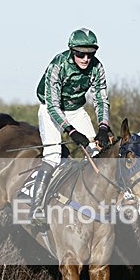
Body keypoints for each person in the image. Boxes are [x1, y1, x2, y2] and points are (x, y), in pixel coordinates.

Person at [30, 27, 112, 221]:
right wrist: (71, 131)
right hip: (50, 109)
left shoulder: (97, 67)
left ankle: (97, 203)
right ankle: (37, 208)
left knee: (96, 152)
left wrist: (103, 127)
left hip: (75, 110)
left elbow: (101, 100)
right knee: (53, 156)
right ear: (72, 51)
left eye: (90, 54)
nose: (85, 58)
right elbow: (53, 106)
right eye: (80, 54)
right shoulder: (57, 65)